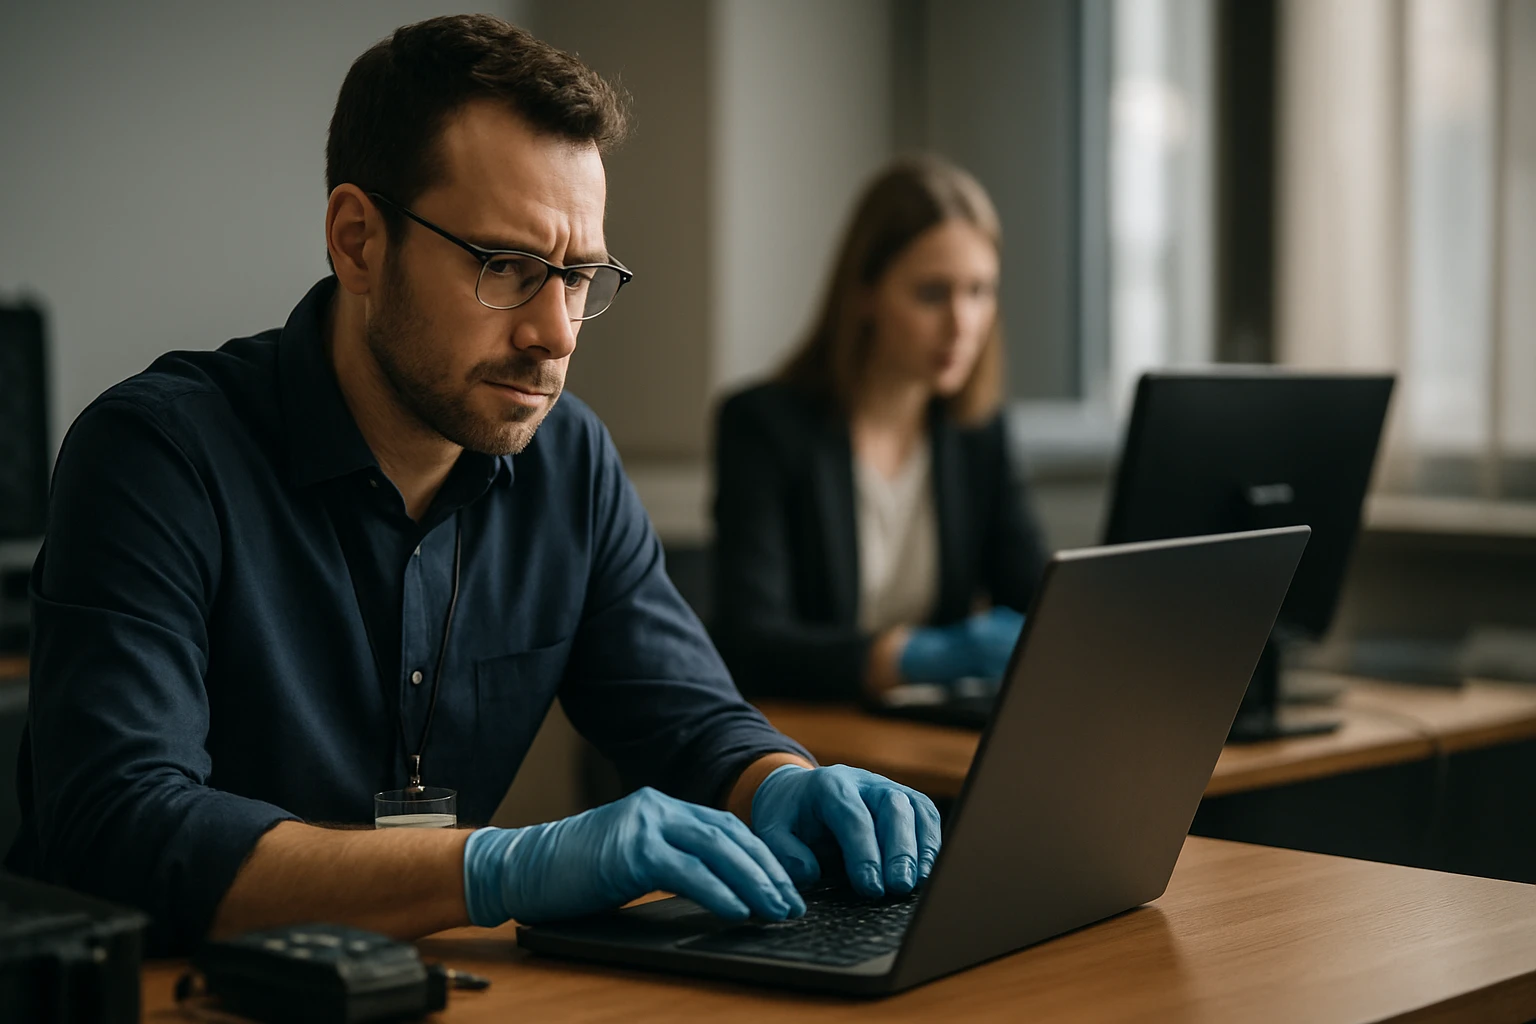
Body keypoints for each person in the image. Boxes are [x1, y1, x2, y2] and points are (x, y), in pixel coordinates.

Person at [7, 15, 940, 954]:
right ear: (357, 241)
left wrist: (778, 780)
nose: (558, 333)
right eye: (508, 266)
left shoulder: (568, 462)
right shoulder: (155, 457)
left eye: (579, 277)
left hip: (420, 990)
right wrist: (496, 867)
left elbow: (687, 714)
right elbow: (122, 831)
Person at [712, 157, 1049, 703]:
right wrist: (917, 657)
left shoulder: (979, 434)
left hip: (931, 737)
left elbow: (1037, 602)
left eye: (980, 291)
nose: (963, 324)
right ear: (865, 293)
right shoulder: (764, 427)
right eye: (932, 294)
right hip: (812, 735)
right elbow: (752, 645)